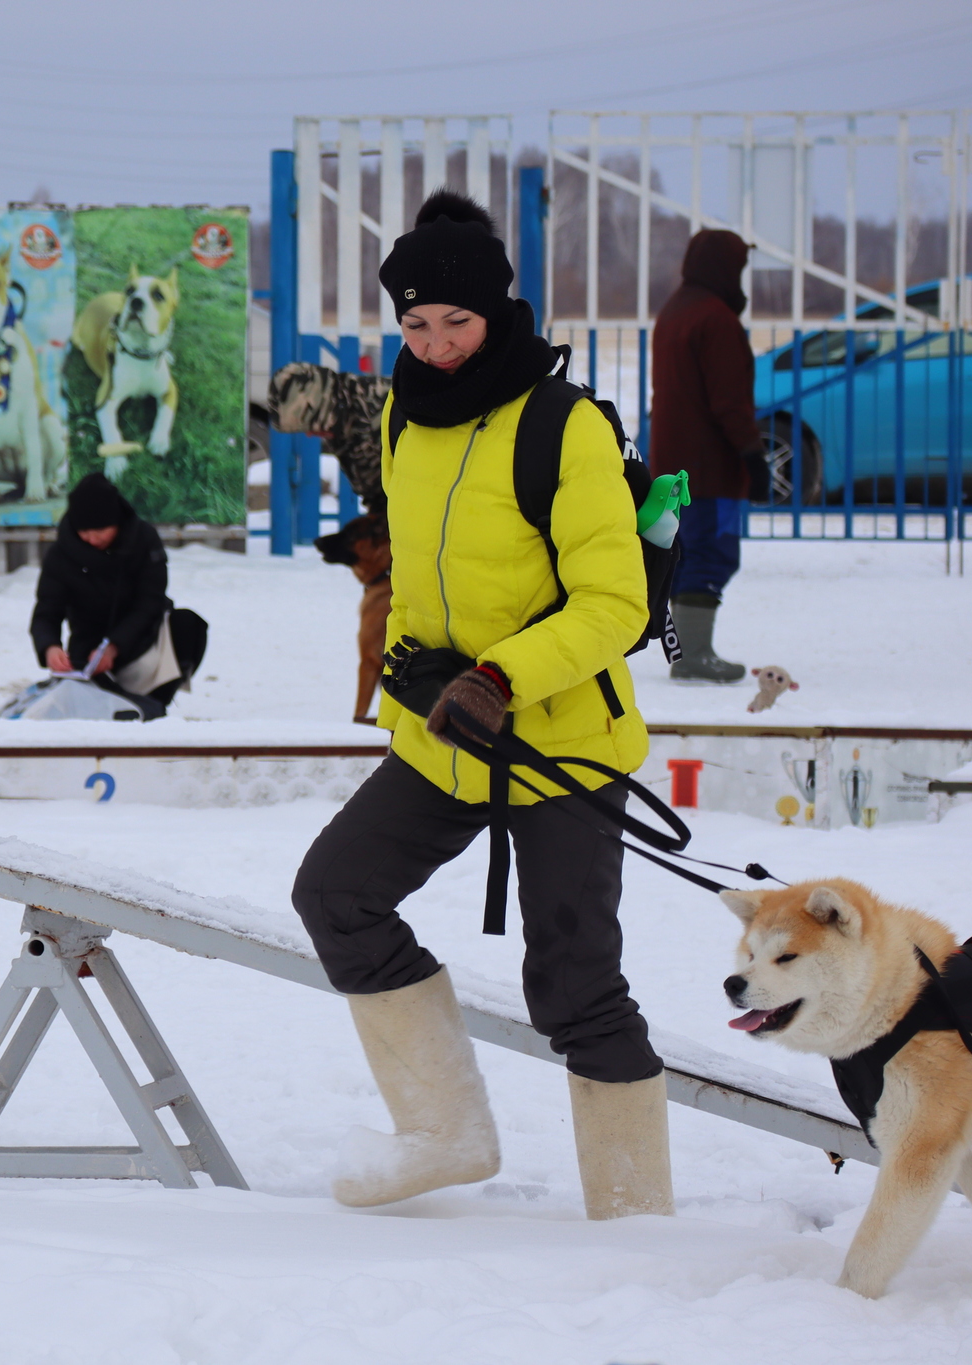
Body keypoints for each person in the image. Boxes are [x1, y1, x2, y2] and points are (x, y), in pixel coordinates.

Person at [289, 191, 672, 1221]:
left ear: (496, 312)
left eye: (454, 322)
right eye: (415, 325)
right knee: (335, 893)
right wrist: (411, 667)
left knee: (574, 983)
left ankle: (634, 1217)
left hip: (559, 742)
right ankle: (444, 1131)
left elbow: (611, 602)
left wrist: (499, 674)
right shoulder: (405, 419)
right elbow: (412, 575)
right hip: (445, 736)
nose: (437, 343)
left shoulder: (563, 424)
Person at [650, 229, 770, 683]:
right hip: (710, 467)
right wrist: (753, 457)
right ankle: (694, 655)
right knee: (710, 553)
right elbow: (729, 402)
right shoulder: (714, 319)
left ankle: (686, 651)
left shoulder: (675, 311)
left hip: (675, 465)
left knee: (684, 554)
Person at [30, 474, 207, 709]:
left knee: (188, 625)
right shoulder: (61, 554)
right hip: (88, 653)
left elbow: (150, 601)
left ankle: (155, 703)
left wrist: (114, 646)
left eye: (100, 530)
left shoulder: (143, 539)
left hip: (142, 640)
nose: (92, 539)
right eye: (84, 532)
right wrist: (50, 646)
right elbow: (46, 610)